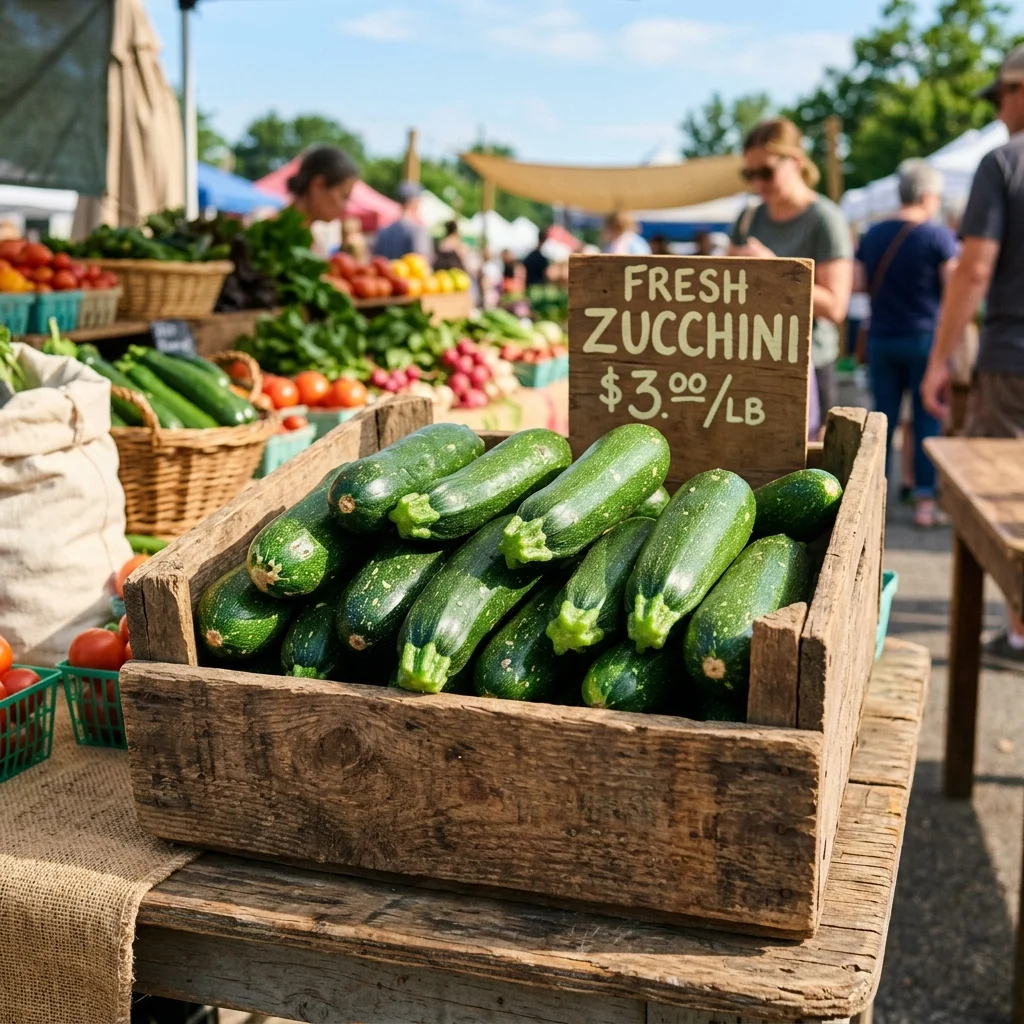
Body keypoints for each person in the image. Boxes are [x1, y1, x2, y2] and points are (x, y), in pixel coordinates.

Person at [921, 41, 1024, 667]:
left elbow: (974, 270)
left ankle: (1019, 631)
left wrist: (942, 358)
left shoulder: (1003, 164)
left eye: (1003, 97)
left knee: (1012, 507)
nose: (999, 112)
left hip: (1013, 360)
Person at [729, 118, 853, 427]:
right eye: (750, 174)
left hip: (809, 366)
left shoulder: (825, 219)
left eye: (766, 172)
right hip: (754, 361)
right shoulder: (747, 218)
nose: (758, 183)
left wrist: (776, 272)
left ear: (796, 162)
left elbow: (836, 306)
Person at [855, 161, 958, 527]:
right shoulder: (937, 236)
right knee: (926, 418)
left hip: (882, 337)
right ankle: (925, 503)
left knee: (882, 419)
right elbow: (954, 291)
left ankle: (872, 499)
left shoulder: (872, 234)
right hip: (924, 339)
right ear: (927, 195)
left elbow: (856, 283)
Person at [287, 146, 359, 227]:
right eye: (344, 196)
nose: (345, 207)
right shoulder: (278, 234)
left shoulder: (291, 232)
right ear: (317, 186)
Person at [372, 181, 434, 261]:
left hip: (386, 273)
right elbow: (422, 261)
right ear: (414, 202)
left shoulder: (384, 230)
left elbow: (376, 258)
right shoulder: (418, 230)